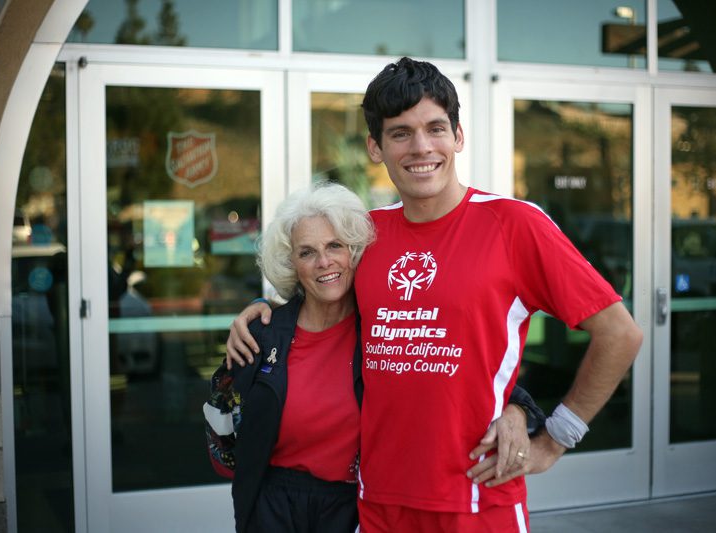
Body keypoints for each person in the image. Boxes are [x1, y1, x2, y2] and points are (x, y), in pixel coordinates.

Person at [226, 58, 643, 532]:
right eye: (400, 133)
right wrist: (263, 312)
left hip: (478, 501)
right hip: (379, 504)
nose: (421, 147)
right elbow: (324, 299)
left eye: (435, 128)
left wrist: (553, 437)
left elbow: (619, 333)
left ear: (458, 136)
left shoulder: (513, 224)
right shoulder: (367, 235)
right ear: (375, 147)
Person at [206, 182, 545, 532]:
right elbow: (224, 428)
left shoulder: (379, 327)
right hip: (273, 506)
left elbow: (454, 366)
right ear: (291, 262)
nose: (324, 262)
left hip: (351, 508)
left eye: (335, 246)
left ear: (353, 251)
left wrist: (517, 408)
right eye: (306, 252)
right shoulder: (262, 333)